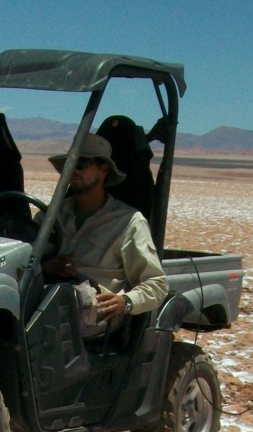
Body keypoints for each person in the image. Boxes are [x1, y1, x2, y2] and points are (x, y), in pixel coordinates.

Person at [42, 133, 168, 331]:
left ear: (104, 169)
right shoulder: (52, 214)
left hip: (92, 316)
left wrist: (125, 302)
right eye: (70, 163)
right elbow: (27, 258)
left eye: (81, 163)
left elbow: (156, 284)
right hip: (50, 299)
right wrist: (46, 265)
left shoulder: (128, 222)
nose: (74, 169)